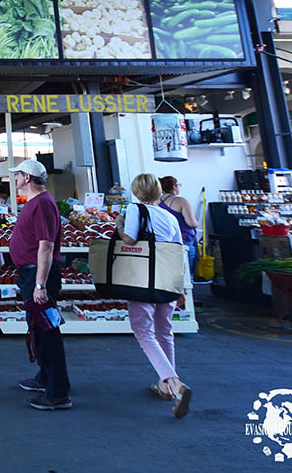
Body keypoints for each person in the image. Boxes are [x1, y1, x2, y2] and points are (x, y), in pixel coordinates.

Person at [119, 174, 193, 419]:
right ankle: (164, 386)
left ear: (137, 192)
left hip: (143, 277)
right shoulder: (170, 217)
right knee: (165, 331)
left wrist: (120, 225)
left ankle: (173, 383)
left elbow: (129, 239)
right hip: (168, 278)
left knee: (143, 331)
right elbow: (178, 252)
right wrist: (181, 286)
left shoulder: (135, 210)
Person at [8, 159, 72, 410]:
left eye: (18, 175)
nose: (14, 179)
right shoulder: (36, 203)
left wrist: (40, 285)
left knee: (48, 331)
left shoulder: (43, 205)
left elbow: (46, 246)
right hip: (32, 274)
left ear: (27, 178)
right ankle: (45, 377)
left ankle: (58, 392)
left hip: (40, 276)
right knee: (38, 327)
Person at [159, 176, 199, 280]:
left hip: (166, 241)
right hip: (185, 239)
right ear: (174, 186)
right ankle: (186, 294)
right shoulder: (181, 201)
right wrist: (197, 223)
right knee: (187, 273)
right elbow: (191, 223)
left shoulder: (157, 202)